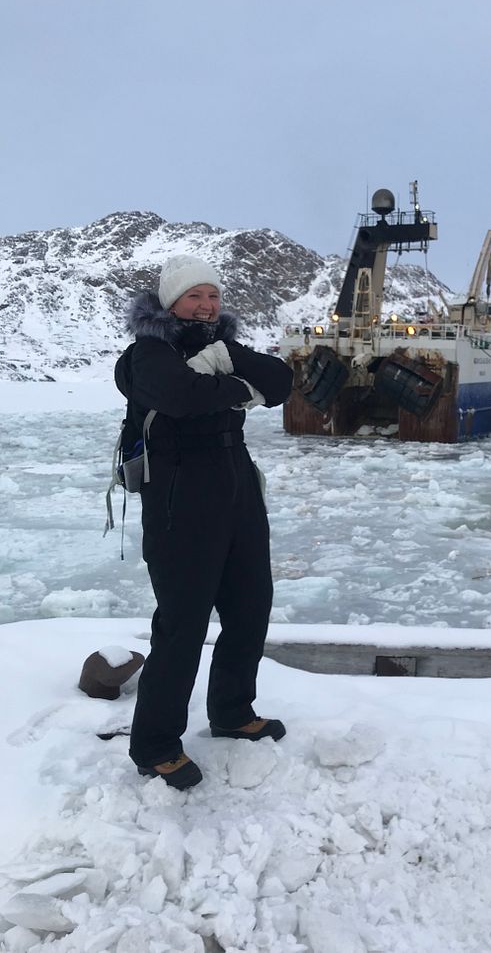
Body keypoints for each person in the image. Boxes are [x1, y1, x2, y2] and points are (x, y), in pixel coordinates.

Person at [115, 254, 294, 789]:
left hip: (236, 487)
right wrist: (241, 388)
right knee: (183, 621)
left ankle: (233, 712)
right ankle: (154, 745)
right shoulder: (147, 353)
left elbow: (281, 381)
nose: (206, 305)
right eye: (195, 296)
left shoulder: (221, 345)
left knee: (249, 605)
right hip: (179, 497)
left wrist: (226, 367)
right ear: (171, 301)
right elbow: (179, 396)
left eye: (213, 296)